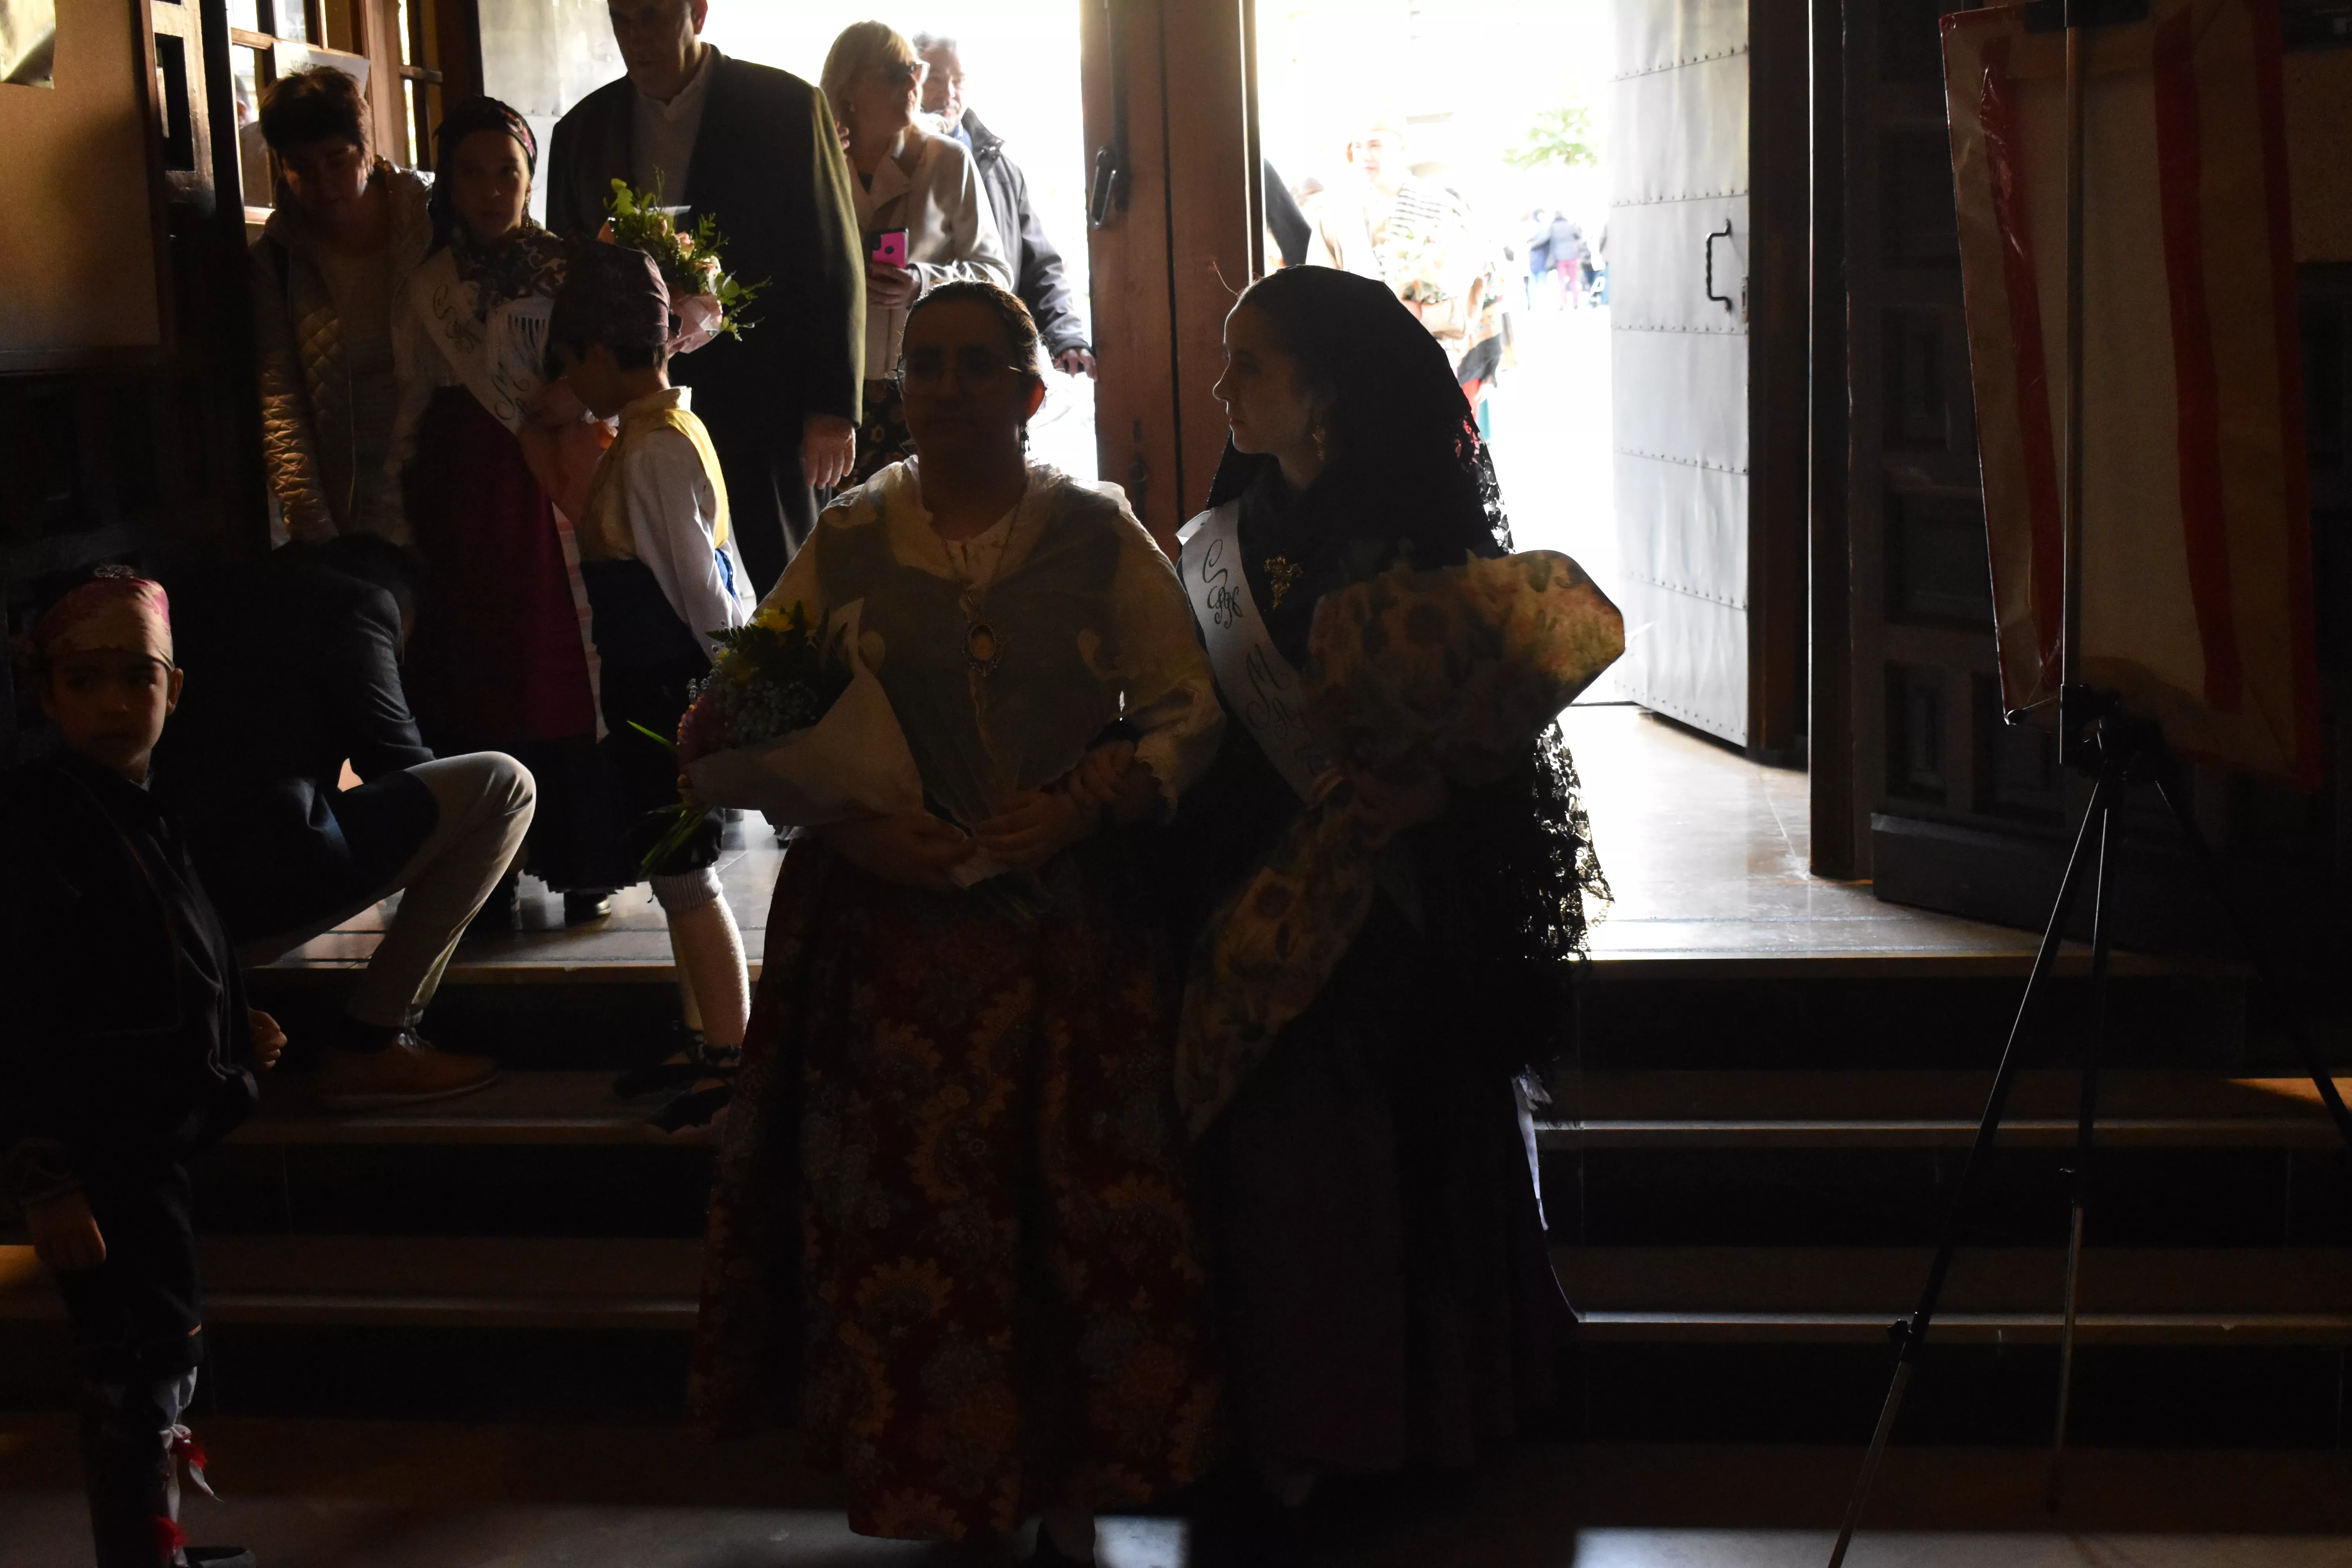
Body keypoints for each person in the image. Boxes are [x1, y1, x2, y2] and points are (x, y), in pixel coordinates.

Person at [692, 282, 1224, 1561]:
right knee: (919, 1230)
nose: (941, 388)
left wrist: (1091, 802)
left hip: (1063, 950)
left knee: (1072, 1227)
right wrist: (861, 826)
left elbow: (1185, 705)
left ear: (1029, 393)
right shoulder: (854, 536)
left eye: (973, 366)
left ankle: (1069, 1489)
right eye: (923, 366)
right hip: (896, 956)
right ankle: (944, 1489)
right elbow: (742, 720)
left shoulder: (1098, 535)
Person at [1169, 266, 1604, 1498]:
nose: (1221, 386)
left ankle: (1416, 1415)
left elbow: (1503, 732)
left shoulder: (1423, 537)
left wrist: (1437, 794)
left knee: (1400, 1158)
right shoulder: (1222, 540)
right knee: (1275, 1169)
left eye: (1247, 362)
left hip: (1400, 909)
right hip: (1255, 883)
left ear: (1326, 394)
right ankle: (1286, 1419)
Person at [2, 572, 279, 1568]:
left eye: (138, 678)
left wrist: (230, 1022)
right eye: (88, 681)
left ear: (175, 687)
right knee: (135, 1363)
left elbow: (173, 944)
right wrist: (48, 1174)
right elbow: (27, 1003)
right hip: (101, 1149)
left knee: (167, 1351)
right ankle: (138, 1554)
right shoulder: (42, 819)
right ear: (47, 694)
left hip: (153, 1138)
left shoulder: (137, 806)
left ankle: (152, 1544)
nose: (117, 703)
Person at [153, 537, 530, 1110]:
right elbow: (398, 761)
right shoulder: (358, 606)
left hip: (159, 895)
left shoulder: (204, 587)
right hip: (248, 892)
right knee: (502, 786)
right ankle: (373, 1041)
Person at [546, 0, 867, 593]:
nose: (637, 38)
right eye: (622, 20)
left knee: (784, 589)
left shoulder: (788, 109)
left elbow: (831, 261)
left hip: (763, 404)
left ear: (697, 11)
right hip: (631, 414)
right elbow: (566, 283)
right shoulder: (583, 131)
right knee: (654, 599)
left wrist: (831, 408)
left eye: (652, 16)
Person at [544, 242, 754, 1136]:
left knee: (687, 873)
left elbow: (702, 587)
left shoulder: (656, 447)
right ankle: (703, 1032)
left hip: (665, 685)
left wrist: (739, 682)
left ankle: (732, 1051)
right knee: (675, 876)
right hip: (646, 682)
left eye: (568, 359)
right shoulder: (651, 434)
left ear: (598, 351)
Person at [391, 94, 616, 930]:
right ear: (448, 184)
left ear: (530, 177)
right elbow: (414, 392)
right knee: (474, 662)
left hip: (548, 479)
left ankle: (583, 857)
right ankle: (485, 864)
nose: (491, 190)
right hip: (463, 483)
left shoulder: (569, 268)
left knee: (560, 661)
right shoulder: (429, 285)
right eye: (472, 174)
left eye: (508, 172)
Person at [823, 22, 1011, 488]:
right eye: (894, 73)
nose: (913, 84)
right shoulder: (817, 164)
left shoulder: (948, 161)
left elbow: (996, 274)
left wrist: (922, 283)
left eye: (914, 69)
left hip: (932, 385)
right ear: (847, 88)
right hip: (835, 393)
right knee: (851, 540)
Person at [250, 65, 433, 543]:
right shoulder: (279, 257)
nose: (323, 182)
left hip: (442, 474)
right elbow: (280, 397)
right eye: (301, 166)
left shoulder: (431, 222)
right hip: (349, 497)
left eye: (336, 160)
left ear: (367, 149)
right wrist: (312, 525)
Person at [913, 32, 1093, 376]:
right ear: (913, 80)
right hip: (918, 356)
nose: (949, 94)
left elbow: (1039, 265)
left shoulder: (999, 168)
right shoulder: (894, 165)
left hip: (992, 358)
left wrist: (1066, 336)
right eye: (936, 78)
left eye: (959, 81)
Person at [1308, 119, 1483, 361]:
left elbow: (1468, 298)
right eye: (1357, 146)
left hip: (1428, 354)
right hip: (1359, 356)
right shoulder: (1335, 215)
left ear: (1402, 149)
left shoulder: (1442, 208)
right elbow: (1318, 292)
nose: (1365, 156)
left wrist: (1421, 313)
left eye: (1375, 145)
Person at [1548, 211, 1587, 309]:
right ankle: (1575, 302)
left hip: (1560, 258)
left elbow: (1549, 241)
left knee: (1562, 281)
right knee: (1573, 280)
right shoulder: (1570, 225)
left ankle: (1563, 303)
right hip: (1572, 256)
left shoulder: (1553, 227)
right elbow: (1579, 236)